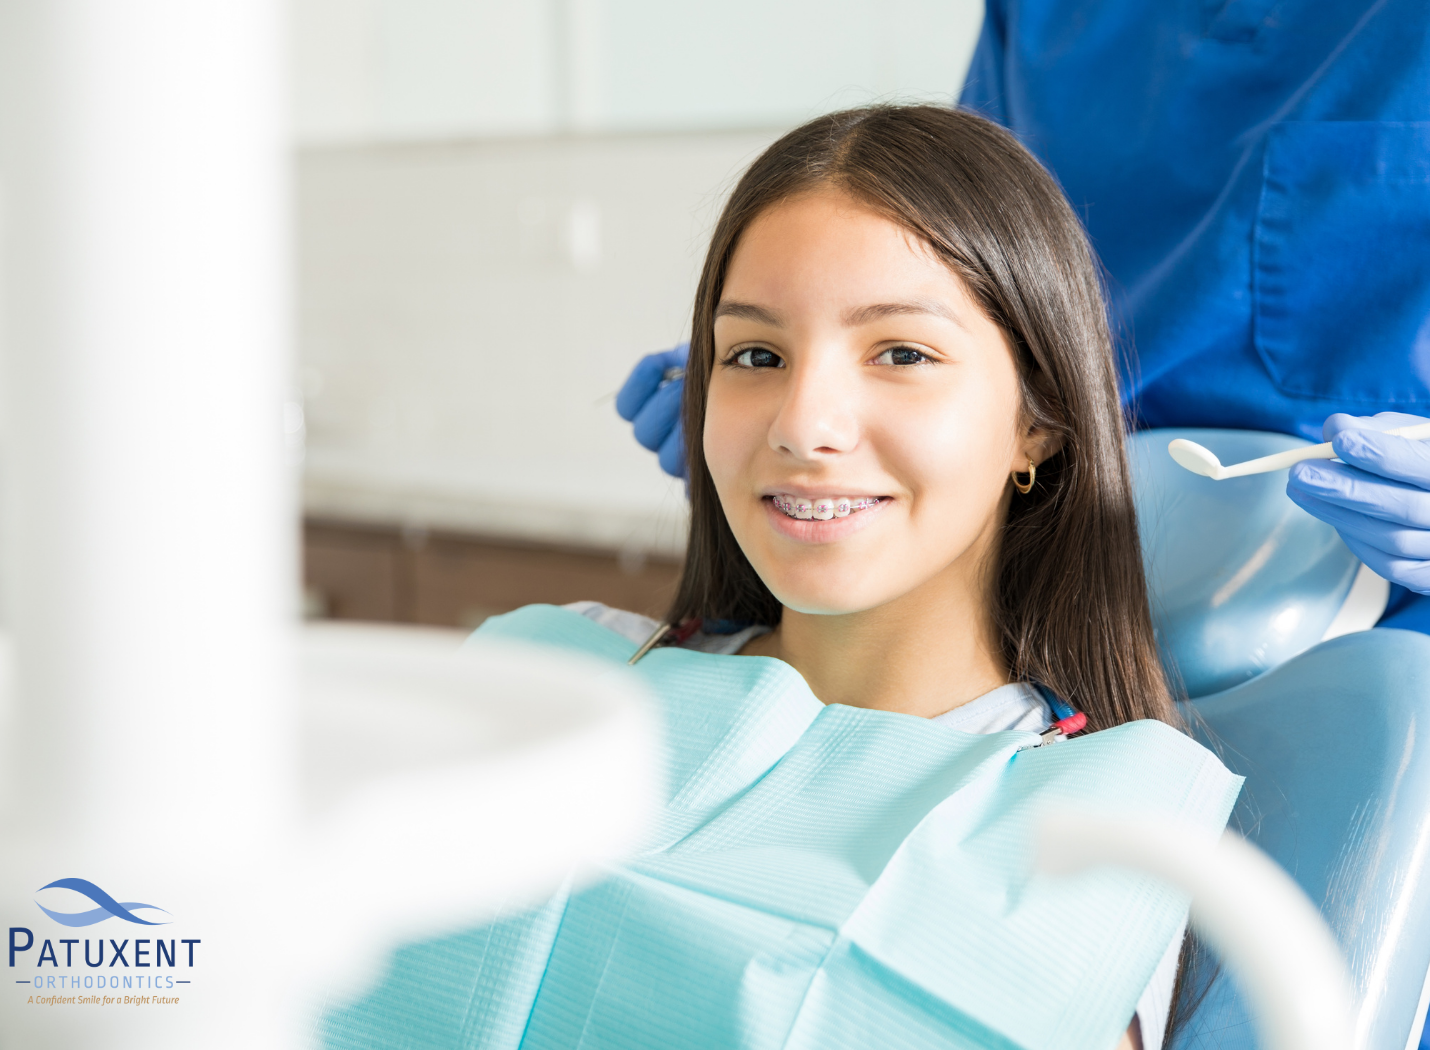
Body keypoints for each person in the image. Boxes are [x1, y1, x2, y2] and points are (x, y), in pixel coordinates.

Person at [617, 0, 1430, 1045]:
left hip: (1410, 742)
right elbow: (970, 286)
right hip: (1036, 716)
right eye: (750, 356)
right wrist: (804, 422)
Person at [328, 105, 1242, 1050]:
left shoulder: (1089, 830)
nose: (804, 425)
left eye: (901, 354)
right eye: (756, 355)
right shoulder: (560, 679)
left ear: (1036, 424)